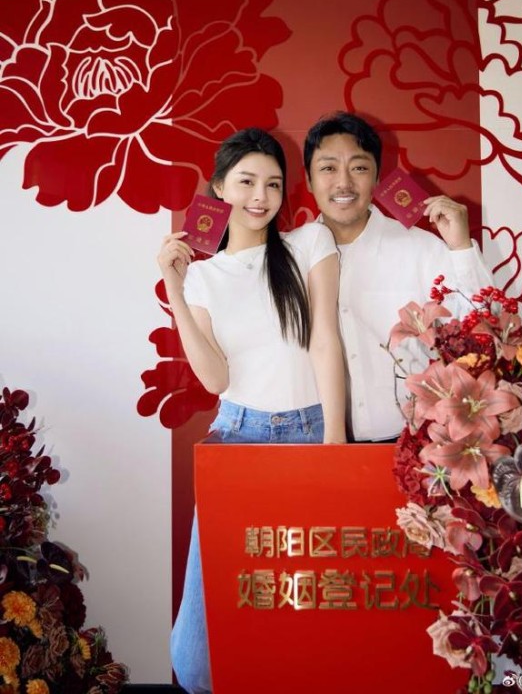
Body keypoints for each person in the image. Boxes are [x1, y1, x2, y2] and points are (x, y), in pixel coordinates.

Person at [158, 128, 347, 693]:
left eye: (272, 184)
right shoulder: (203, 276)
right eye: (246, 182)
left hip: (313, 432)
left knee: (307, 611)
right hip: (238, 438)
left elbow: (325, 341)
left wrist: (334, 441)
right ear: (219, 187)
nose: (260, 196)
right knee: (197, 660)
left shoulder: (309, 243)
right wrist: (174, 289)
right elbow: (215, 379)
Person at [303, 111, 494, 442]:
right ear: (308, 179)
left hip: (410, 440)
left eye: (359, 168)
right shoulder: (290, 254)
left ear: (378, 177)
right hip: (314, 443)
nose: (343, 182)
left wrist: (461, 247)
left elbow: (482, 327)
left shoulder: (421, 248)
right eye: (328, 168)